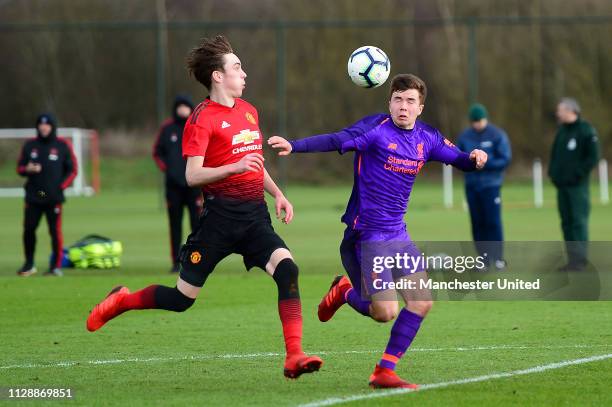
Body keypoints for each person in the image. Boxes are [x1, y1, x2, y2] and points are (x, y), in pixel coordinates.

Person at [86, 35, 323, 379]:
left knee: (288, 270)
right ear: (217, 75)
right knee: (182, 299)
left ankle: (294, 355)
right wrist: (233, 168)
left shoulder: (249, 111)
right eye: (237, 67)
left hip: (255, 218)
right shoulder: (201, 119)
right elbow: (192, 174)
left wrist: (278, 194)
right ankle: (123, 300)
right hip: (218, 221)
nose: (244, 74)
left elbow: (254, 163)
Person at [269, 74, 487, 389]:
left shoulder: (428, 138)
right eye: (397, 99)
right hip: (367, 235)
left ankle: (384, 371)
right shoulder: (375, 130)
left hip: (398, 233)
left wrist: (475, 159)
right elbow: (335, 140)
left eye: (410, 101)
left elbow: (461, 161)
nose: (403, 106)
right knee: (384, 312)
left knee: (422, 301)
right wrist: (295, 145)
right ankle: (344, 291)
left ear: (420, 108)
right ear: (389, 102)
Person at [16, 113, 77, 277]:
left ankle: (54, 267)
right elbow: (19, 168)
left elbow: (73, 170)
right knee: (29, 230)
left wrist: (60, 187)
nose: (43, 127)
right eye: (40, 125)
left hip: (53, 197)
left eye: (47, 125)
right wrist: (27, 169)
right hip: (35, 195)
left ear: (52, 127)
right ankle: (29, 264)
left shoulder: (62, 145)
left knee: (54, 232)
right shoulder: (30, 145)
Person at [456, 103, 511, 269]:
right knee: (477, 223)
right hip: (472, 186)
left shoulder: (497, 135)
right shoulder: (465, 136)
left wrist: (484, 163)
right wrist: (469, 164)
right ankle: (483, 259)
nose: (476, 124)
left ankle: (498, 258)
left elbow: (505, 159)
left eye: (479, 120)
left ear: (485, 118)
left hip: (491, 185)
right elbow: (458, 157)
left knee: (492, 222)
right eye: (473, 121)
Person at [153, 94, 203, 273]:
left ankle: (196, 260)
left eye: (185, 106)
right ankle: (175, 262)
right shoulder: (167, 129)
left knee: (197, 224)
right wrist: (168, 169)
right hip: (173, 188)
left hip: (194, 186)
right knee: (175, 225)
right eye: (179, 106)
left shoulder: (196, 126)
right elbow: (157, 152)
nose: (182, 110)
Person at [548, 98, 600, 271]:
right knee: (566, 222)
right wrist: (553, 174)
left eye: (560, 110)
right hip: (562, 186)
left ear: (570, 111)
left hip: (578, 187)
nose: (558, 113)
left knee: (578, 222)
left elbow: (592, 158)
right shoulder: (562, 131)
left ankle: (580, 261)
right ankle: (572, 261)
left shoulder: (586, 130)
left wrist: (577, 175)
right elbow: (555, 155)